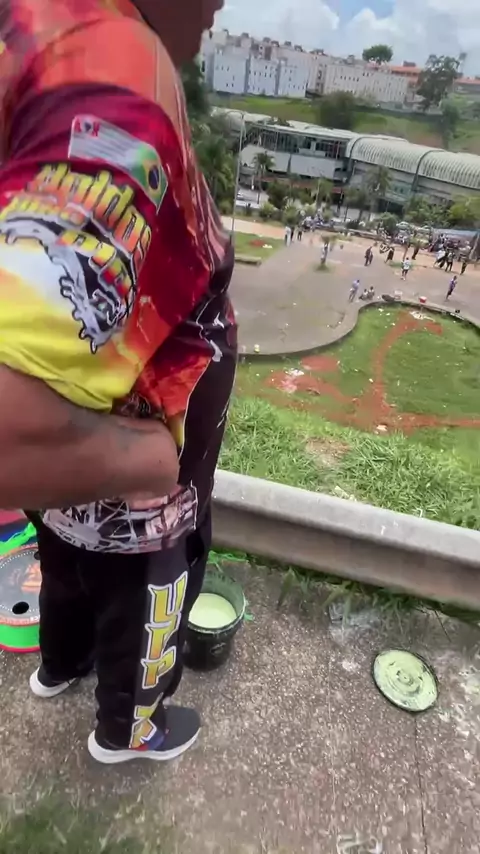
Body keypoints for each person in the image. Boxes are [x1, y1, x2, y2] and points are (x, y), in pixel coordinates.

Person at [0, 0, 236, 764]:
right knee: (140, 592)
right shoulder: (119, 73)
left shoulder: (43, 29)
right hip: (132, 469)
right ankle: (129, 732)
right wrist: (149, 461)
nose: (222, 4)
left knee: (67, 566)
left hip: (70, 469)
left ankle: (59, 665)